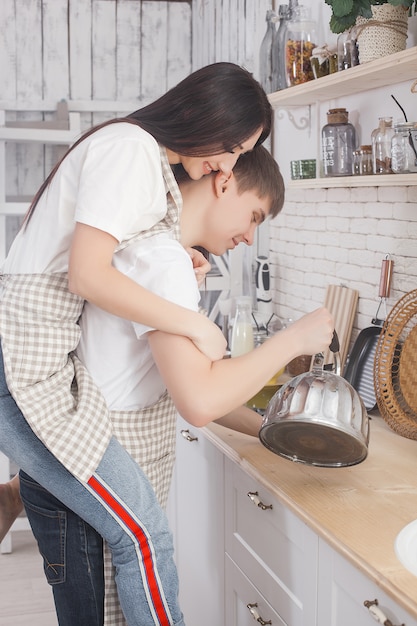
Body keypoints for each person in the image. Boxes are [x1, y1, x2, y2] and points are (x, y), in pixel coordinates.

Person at [10, 146, 333, 625]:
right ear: (223, 182)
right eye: (254, 216)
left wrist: (273, 432)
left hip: (73, 469)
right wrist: (293, 339)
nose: (249, 236)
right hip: (95, 462)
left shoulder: (158, 252)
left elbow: (192, 385)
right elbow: (199, 401)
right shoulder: (162, 260)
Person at [0, 62, 273, 626]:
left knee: (131, 529)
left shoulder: (142, 160)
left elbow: (103, 272)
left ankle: (17, 493)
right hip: (28, 367)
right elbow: (86, 276)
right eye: (232, 151)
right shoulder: (131, 149)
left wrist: (177, 276)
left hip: (41, 363)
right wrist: (192, 322)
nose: (226, 168)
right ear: (209, 117)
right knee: (144, 537)